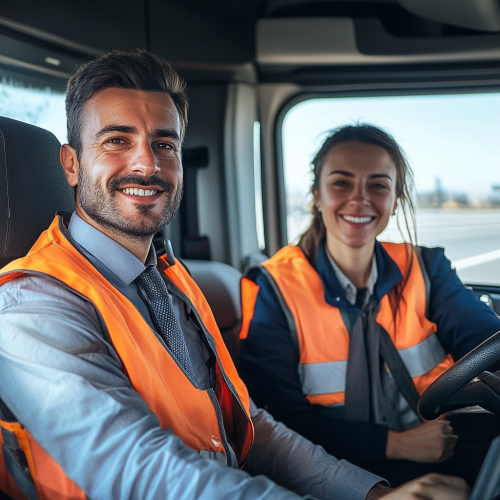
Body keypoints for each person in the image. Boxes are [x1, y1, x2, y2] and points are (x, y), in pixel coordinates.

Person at [0, 51, 467, 500]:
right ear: (71, 164)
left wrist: (370, 493)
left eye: (164, 143)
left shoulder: (168, 278)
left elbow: (249, 426)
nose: (147, 163)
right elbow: (139, 471)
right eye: (116, 140)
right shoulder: (34, 306)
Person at [239, 124, 500, 487]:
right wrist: (396, 445)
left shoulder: (426, 268)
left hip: (441, 452)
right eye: (341, 183)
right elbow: (280, 421)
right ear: (317, 194)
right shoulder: (275, 286)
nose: (360, 200)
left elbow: (487, 341)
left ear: (395, 200)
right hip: (328, 469)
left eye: (378, 185)